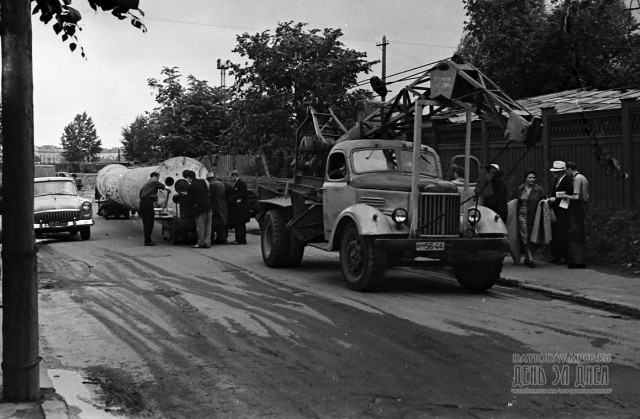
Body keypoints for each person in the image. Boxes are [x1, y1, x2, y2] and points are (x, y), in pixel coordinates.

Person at [514, 170, 546, 268]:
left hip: (534, 216)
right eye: (530, 177)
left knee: (532, 235)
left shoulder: (539, 190)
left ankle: (527, 257)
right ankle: (530, 258)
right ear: (526, 179)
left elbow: (544, 202)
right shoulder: (521, 189)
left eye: (533, 178)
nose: (532, 179)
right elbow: (516, 201)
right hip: (522, 215)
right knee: (525, 235)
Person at [548, 160, 573, 264]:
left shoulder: (567, 181)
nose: (554, 174)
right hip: (555, 209)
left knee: (562, 233)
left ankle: (564, 256)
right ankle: (556, 255)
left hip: (564, 209)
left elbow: (568, 194)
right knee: (556, 233)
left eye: (556, 172)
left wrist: (556, 200)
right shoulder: (556, 181)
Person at [566, 161, 589, 269]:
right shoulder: (583, 177)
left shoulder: (576, 179)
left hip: (577, 206)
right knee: (579, 232)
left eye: (567, 171)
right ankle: (579, 259)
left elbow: (576, 196)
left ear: (570, 169)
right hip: (583, 205)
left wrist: (566, 196)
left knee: (576, 232)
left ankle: (578, 260)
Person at [183, 170, 212, 248]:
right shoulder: (202, 182)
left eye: (187, 178)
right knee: (208, 226)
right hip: (208, 205)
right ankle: (207, 242)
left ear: (189, 178)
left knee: (200, 226)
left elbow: (190, 198)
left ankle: (200, 243)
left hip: (199, 207)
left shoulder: (191, 186)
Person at [139, 172, 168, 246]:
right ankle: (148, 241)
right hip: (148, 203)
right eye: (158, 178)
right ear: (154, 177)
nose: (158, 179)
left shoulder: (147, 183)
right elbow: (165, 187)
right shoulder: (154, 182)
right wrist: (169, 189)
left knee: (146, 222)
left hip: (143, 202)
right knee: (149, 222)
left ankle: (147, 239)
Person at [227, 170, 250, 244]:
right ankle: (241, 238)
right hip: (239, 207)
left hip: (240, 207)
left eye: (231, 177)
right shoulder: (237, 184)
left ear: (234, 176)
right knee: (239, 224)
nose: (230, 179)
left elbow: (243, 193)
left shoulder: (241, 183)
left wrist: (233, 197)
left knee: (239, 224)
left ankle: (240, 239)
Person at [206, 172, 229, 244]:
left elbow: (210, 195)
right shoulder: (221, 183)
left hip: (216, 204)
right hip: (222, 204)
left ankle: (221, 239)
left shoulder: (212, 184)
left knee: (217, 222)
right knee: (222, 221)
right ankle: (222, 238)